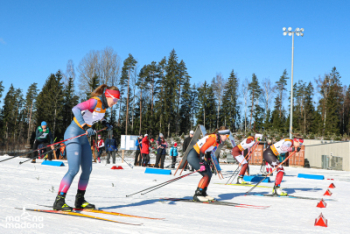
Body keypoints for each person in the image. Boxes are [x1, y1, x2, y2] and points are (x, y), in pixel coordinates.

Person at [53, 84, 118, 211]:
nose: (115, 103)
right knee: (74, 169)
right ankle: (59, 201)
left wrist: (105, 123)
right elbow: (76, 109)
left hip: (83, 138)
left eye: (117, 101)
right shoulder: (95, 101)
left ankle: (80, 200)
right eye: (114, 100)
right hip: (73, 134)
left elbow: (96, 116)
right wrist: (85, 126)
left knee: (87, 169)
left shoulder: (103, 107)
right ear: (108, 96)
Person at [187, 126, 230, 202]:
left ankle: (203, 192)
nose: (227, 138)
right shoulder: (213, 138)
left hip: (198, 155)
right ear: (222, 135)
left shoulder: (217, 140)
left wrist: (209, 160)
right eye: (226, 136)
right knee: (206, 174)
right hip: (193, 156)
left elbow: (209, 150)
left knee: (209, 173)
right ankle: (198, 194)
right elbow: (202, 149)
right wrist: (201, 163)